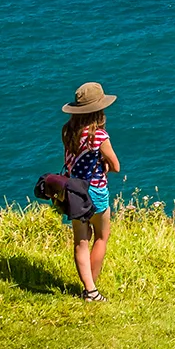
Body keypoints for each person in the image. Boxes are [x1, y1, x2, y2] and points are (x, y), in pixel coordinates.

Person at [60, 82, 121, 302]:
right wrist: (104, 165)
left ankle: (89, 289)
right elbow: (116, 166)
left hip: (74, 192)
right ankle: (91, 290)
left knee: (80, 241)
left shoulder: (68, 131)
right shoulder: (99, 136)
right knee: (101, 237)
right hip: (95, 191)